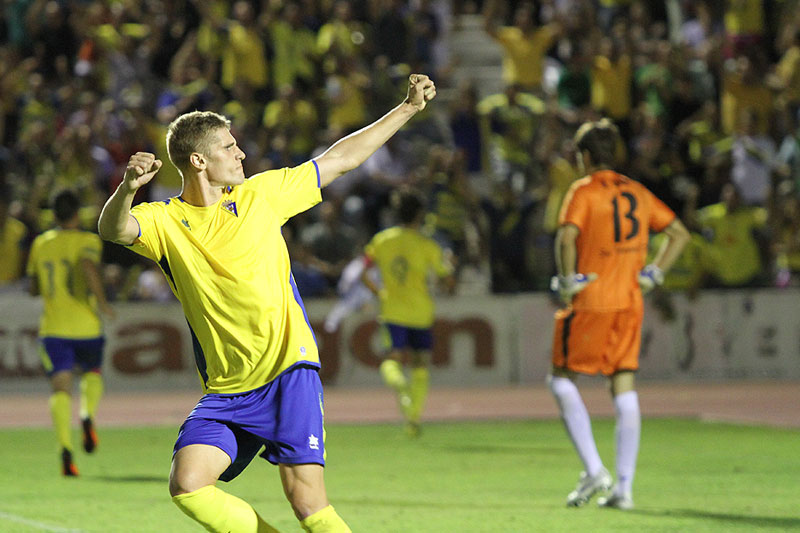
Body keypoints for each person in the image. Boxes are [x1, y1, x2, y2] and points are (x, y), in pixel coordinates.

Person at [97, 74, 437, 533]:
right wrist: (127, 188)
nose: (240, 153)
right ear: (199, 160)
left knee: (308, 503)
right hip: (228, 387)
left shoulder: (262, 195)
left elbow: (340, 159)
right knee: (189, 484)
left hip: (287, 370)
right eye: (229, 146)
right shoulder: (166, 220)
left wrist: (408, 109)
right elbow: (114, 231)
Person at [549, 119, 690, 510]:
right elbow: (678, 233)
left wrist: (566, 280)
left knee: (560, 379)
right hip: (629, 301)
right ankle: (624, 489)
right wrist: (654, 272)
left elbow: (566, 235)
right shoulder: (637, 191)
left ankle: (595, 470)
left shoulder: (583, 190)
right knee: (623, 386)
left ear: (586, 156)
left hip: (592, 298)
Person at [26, 190, 114, 476]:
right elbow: (88, 266)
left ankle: (65, 448)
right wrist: (102, 304)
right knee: (92, 373)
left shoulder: (41, 243)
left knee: (60, 388)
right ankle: (87, 414)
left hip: (53, 329)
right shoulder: (88, 241)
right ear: (78, 213)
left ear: (53, 214)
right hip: (86, 325)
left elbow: (34, 287)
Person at [360, 188, 455, 437]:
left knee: (392, 358)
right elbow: (446, 280)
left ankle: (400, 385)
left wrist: (379, 292)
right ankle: (413, 419)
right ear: (420, 215)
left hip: (392, 310)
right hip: (421, 311)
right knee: (421, 363)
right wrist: (449, 267)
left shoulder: (382, 240)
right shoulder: (427, 245)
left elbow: (364, 272)